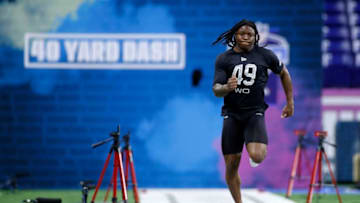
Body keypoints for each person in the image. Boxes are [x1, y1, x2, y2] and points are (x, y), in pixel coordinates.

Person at [212, 19, 294, 203]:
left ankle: (253, 153)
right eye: (242, 34)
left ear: (256, 37)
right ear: (235, 36)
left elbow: (284, 73)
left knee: (257, 155)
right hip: (232, 114)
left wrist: (290, 102)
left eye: (250, 35)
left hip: (254, 112)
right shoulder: (224, 59)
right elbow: (216, 89)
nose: (246, 38)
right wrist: (226, 87)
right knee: (231, 167)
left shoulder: (266, 55)